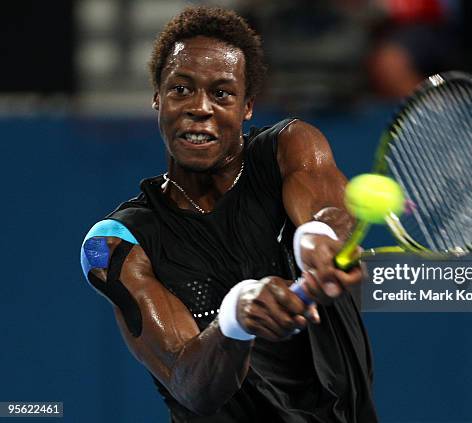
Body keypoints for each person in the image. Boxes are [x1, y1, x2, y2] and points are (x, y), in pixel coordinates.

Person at [80, 6, 377, 423]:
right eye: (180, 89)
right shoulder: (119, 243)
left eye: (222, 93)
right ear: (156, 99)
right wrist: (235, 317)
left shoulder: (289, 146)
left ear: (248, 106)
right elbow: (188, 384)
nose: (199, 107)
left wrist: (316, 236)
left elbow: (325, 204)